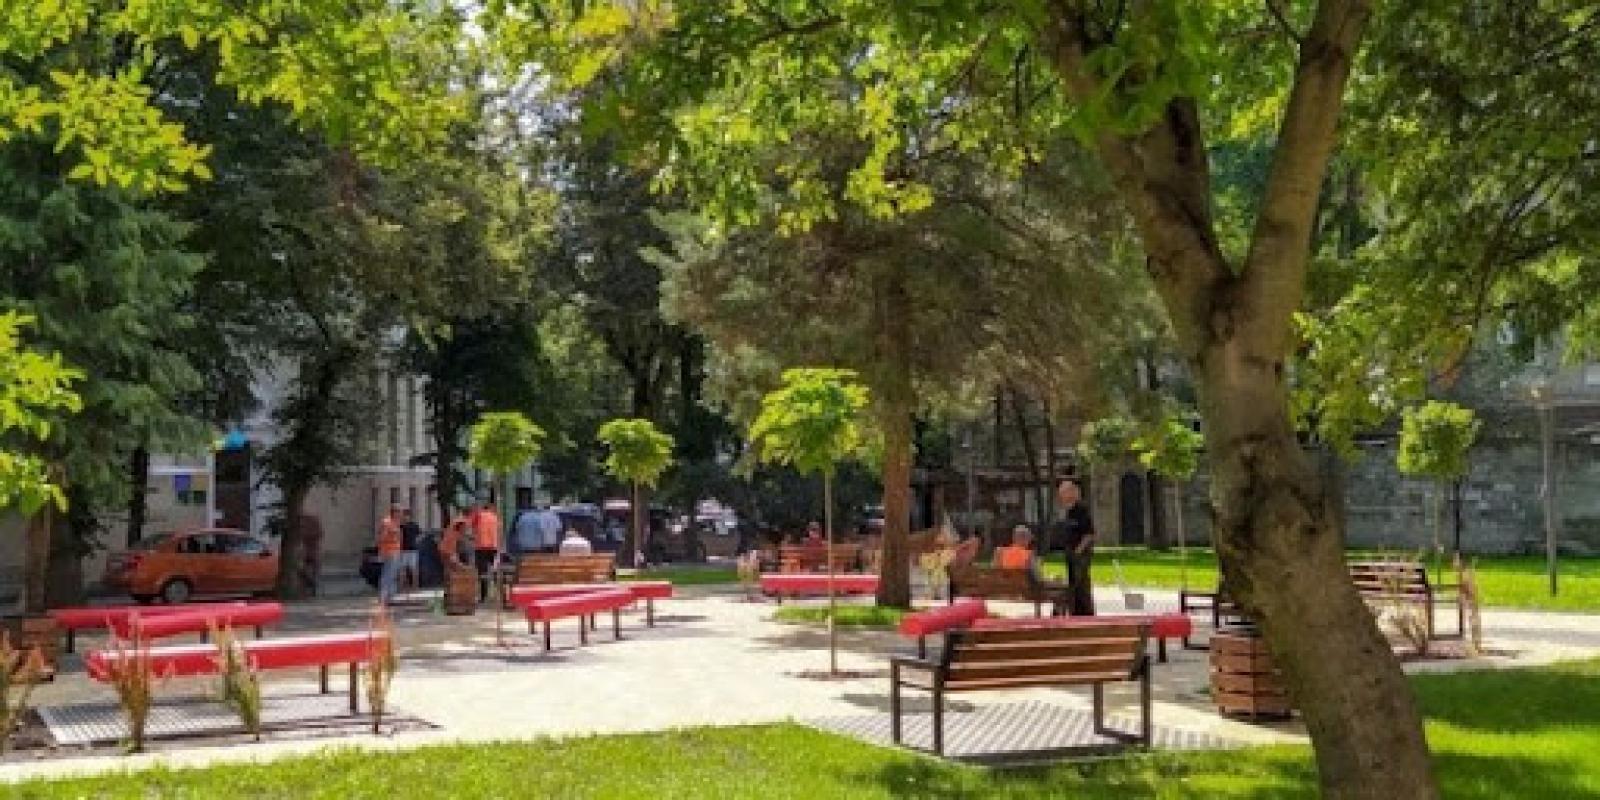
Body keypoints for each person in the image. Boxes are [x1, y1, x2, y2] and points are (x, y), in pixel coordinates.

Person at [1054, 479, 1096, 615]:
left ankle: (1086, 613)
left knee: (1081, 584)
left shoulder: (1081, 510)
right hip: (1069, 552)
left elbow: (1089, 534)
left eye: (1063, 492)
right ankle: (1075, 612)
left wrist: (1079, 550)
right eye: (1060, 492)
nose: (1061, 495)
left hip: (1080, 553)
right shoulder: (1066, 511)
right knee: (1072, 583)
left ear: (1071, 492)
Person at [471, 498, 502, 602]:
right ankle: (499, 594)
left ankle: (483, 596)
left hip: (481, 547)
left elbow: (471, 525)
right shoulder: (495, 517)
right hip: (493, 547)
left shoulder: (479, 515)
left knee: (482, 572)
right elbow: (499, 532)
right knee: (495, 570)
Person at [376, 505, 403, 605]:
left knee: (392, 575)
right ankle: (384, 597)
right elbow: (382, 537)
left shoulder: (395, 522)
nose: (401, 514)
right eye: (399, 512)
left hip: (394, 552)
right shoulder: (387, 522)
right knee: (387, 574)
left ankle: (389, 597)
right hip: (389, 552)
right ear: (394, 512)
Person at [399, 508, 421, 591]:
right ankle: (403, 587)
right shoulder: (402, 526)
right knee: (403, 569)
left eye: (406, 515)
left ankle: (414, 587)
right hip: (405, 549)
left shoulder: (412, 526)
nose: (405, 517)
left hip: (411, 550)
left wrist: (415, 543)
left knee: (412, 569)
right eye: (404, 515)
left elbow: (419, 536)